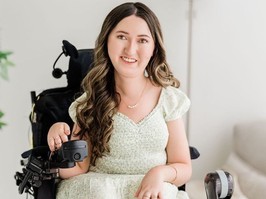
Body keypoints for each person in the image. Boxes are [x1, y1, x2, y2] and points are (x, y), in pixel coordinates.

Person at [47, 2, 192, 199]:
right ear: (107, 41)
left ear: (154, 49)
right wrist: (58, 143)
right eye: (122, 37)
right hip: (100, 190)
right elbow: (78, 168)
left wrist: (159, 173)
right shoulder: (91, 102)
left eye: (142, 40)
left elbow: (183, 167)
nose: (131, 49)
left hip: (152, 189)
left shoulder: (168, 99)